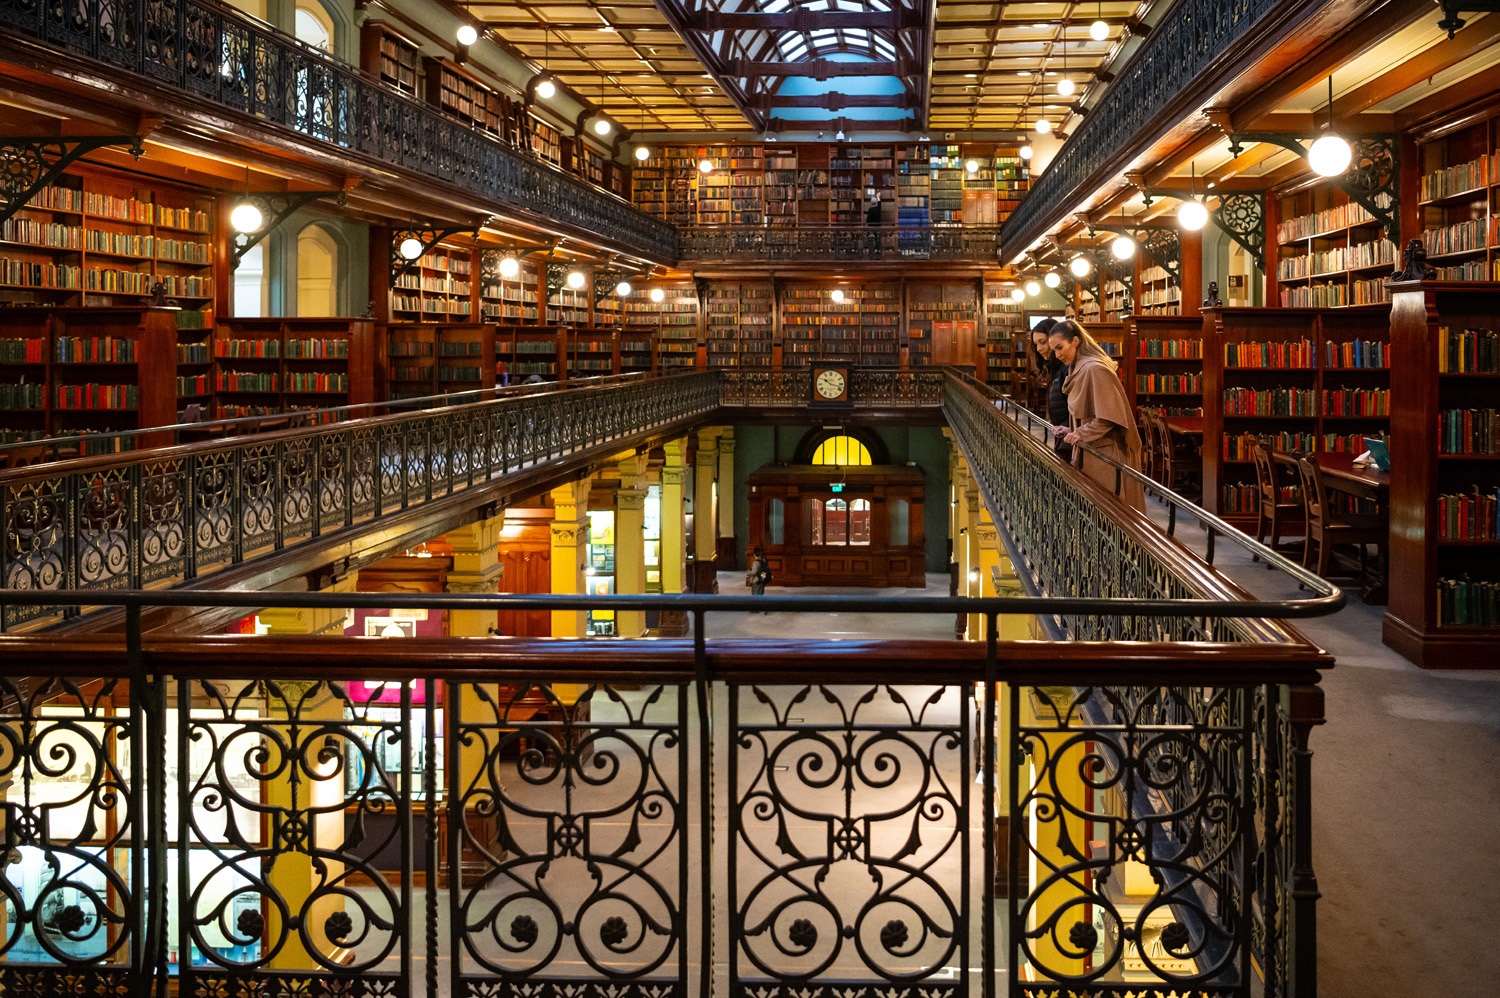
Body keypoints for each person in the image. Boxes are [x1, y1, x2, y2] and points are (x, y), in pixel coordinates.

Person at [1048, 319, 1145, 510]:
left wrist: (1081, 433)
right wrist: (1071, 429)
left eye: (1060, 347)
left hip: (1105, 455)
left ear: (1075, 341)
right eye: (1054, 351)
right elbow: (1093, 413)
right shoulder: (1077, 368)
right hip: (1091, 450)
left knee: (1109, 512)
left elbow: (1109, 417)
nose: (1057, 355)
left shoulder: (1094, 368)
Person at [1029, 318, 1071, 459]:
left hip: (1071, 440)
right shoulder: (1056, 369)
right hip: (1064, 437)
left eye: (1042, 342)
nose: (1039, 348)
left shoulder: (1066, 368)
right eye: (1036, 344)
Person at [745, 546, 770, 611]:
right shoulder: (763, 561)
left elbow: (754, 572)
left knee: (755, 594)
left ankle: (755, 608)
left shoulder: (756, 563)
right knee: (760, 593)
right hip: (762, 579)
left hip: (756, 580)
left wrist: (748, 572)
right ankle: (760, 606)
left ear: (754, 554)